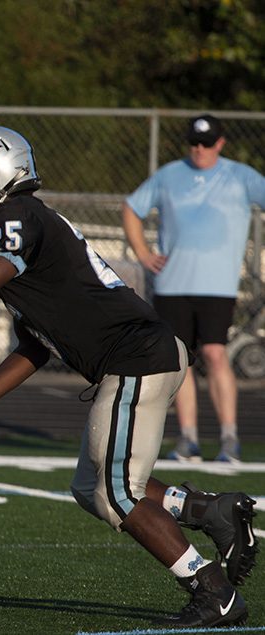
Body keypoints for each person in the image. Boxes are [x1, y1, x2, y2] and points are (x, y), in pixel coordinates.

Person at [0, 126, 256, 628]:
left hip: (135, 356)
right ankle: (208, 511)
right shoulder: (28, 224)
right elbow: (34, 344)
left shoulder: (13, 216)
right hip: (140, 355)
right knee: (91, 484)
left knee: (115, 491)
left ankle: (212, 591)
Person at [122, 114, 265, 464]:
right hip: (173, 285)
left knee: (216, 354)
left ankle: (229, 438)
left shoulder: (240, 176)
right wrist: (142, 253)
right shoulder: (170, 175)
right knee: (181, 362)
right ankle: (188, 440)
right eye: (194, 142)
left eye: (207, 142)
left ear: (220, 143)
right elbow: (132, 207)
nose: (199, 149)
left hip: (217, 286)